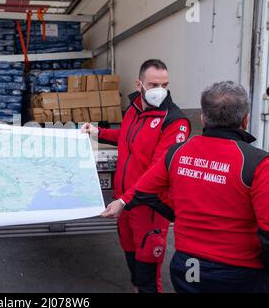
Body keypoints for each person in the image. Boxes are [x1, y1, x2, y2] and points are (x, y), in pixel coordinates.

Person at [102, 81, 269, 293]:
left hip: (188, 266)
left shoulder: (177, 153)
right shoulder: (258, 163)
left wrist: (176, 214)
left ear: (202, 117)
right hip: (239, 271)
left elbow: (144, 190)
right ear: (245, 120)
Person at [82, 59, 191, 293]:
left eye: (165, 84)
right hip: (124, 200)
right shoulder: (134, 108)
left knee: (147, 275)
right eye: (153, 85)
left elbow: (158, 171)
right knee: (131, 259)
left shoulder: (174, 121)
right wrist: (99, 132)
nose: (160, 91)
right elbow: (127, 136)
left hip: (148, 206)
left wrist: (124, 200)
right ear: (139, 84)